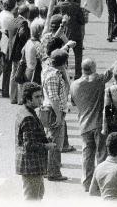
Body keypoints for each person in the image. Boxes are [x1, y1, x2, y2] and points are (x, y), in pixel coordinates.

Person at [70, 58, 114, 192]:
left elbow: (73, 103)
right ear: (93, 68)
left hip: (84, 123)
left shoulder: (74, 85)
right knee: (101, 154)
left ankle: (87, 183)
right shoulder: (98, 80)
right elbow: (111, 72)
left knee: (87, 155)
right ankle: (100, 183)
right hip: (99, 123)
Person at [15, 83, 56, 200]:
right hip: (31, 165)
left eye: (41, 96)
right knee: (32, 198)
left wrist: (44, 138)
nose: (40, 99)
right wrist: (47, 145)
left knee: (38, 195)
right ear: (28, 99)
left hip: (31, 165)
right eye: (37, 97)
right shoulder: (28, 117)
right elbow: (29, 145)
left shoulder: (25, 111)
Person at [40, 49, 70, 181]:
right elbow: (53, 98)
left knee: (51, 140)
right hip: (53, 111)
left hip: (51, 110)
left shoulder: (48, 70)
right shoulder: (53, 76)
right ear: (64, 63)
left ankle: (48, 169)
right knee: (55, 144)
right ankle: (53, 172)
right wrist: (58, 115)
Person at [53, 0, 86, 79]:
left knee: (63, 54)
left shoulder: (59, 5)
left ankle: (63, 73)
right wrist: (83, 33)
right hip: (76, 33)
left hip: (63, 34)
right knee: (78, 56)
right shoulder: (76, 6)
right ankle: (78, 75)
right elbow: (82, 21)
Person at [8, 4, 31, 104]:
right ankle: (20, 99)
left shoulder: (13, 20)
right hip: (19, 52)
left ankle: (13, 97)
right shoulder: (24, 22)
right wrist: (26, 42)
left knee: (13, 74)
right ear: (26, 13)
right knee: (19, 74)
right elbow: (22, 34)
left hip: (12, 51)